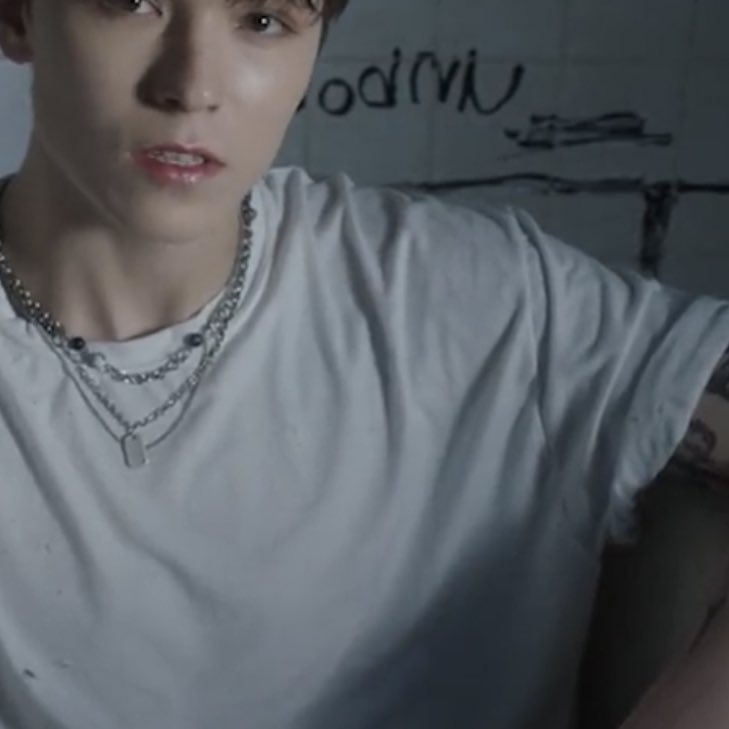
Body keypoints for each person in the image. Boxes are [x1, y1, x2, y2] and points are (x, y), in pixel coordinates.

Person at [0, 1, 727, 728]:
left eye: (263, 19)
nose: (192, 86)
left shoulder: (464, 298)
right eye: (131, 2)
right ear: (17, 19)